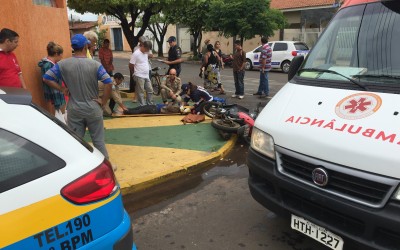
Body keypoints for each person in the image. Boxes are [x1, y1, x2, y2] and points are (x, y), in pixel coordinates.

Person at [43, 34, 112, 161]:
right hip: (93, 108)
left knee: (76, 141)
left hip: (74, 109)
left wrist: (62, 89)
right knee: (98, 142)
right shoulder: (95, 65)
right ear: (86, 46)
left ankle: (79, 167)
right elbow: (108, 82)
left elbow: (46, 78)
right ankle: (106, 167)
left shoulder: (63, 64)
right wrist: (103, 101)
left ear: (73, 47)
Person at [38, 42, 65, 118]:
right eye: (61, 54)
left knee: (60, 113)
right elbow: (49, 80)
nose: (62, 56)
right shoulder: (49, 65)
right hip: (55, 93)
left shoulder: (50, 64)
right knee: (59, 114)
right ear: (56, 54)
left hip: (56, 92)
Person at [129, 40, 153, 106]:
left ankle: (149, 104)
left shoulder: (146, 53)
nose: (148, 51)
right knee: (141, 92)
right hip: (139, 75)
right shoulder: (136, 54)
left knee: (150, 90)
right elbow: (131, 65)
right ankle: (142, 105)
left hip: (146, 75)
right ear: (143, 46)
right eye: (147, 49)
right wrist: (134, 73)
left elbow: (145, 61)